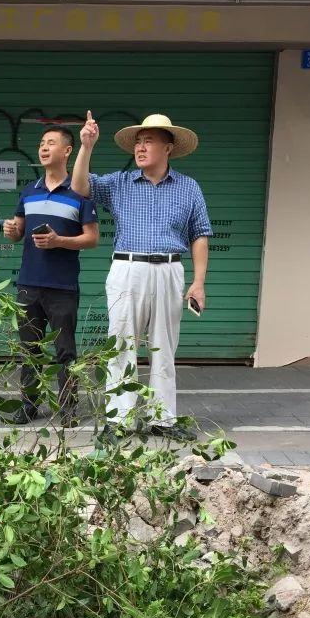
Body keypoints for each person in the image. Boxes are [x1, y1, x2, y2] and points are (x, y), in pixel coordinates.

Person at [72, 112, 212, 444]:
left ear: (168, 148)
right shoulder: (119, 183)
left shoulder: (188, 187)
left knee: (164, 346)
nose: (141, 147)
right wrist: (86, 146)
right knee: (121, 344)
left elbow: (200, 235)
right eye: (138, 141)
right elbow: (79, 186)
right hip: (127, 269)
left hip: (169, 270)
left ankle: (162, 419)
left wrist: (198, 282)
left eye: (149, 141)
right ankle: (118, 420)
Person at [2, 127, 98, 427]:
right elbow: (17, 232)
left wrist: (59, 241)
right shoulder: (29, 191)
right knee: (28, 349)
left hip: (62, 286)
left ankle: (68, 409)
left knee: (65, 351)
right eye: (41, 143)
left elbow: (92, 238)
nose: (43, 148)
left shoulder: (80, 192)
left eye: (51, 143)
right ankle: (28, 405)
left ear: (67, 151)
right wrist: (11, 230)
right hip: (28, 284)